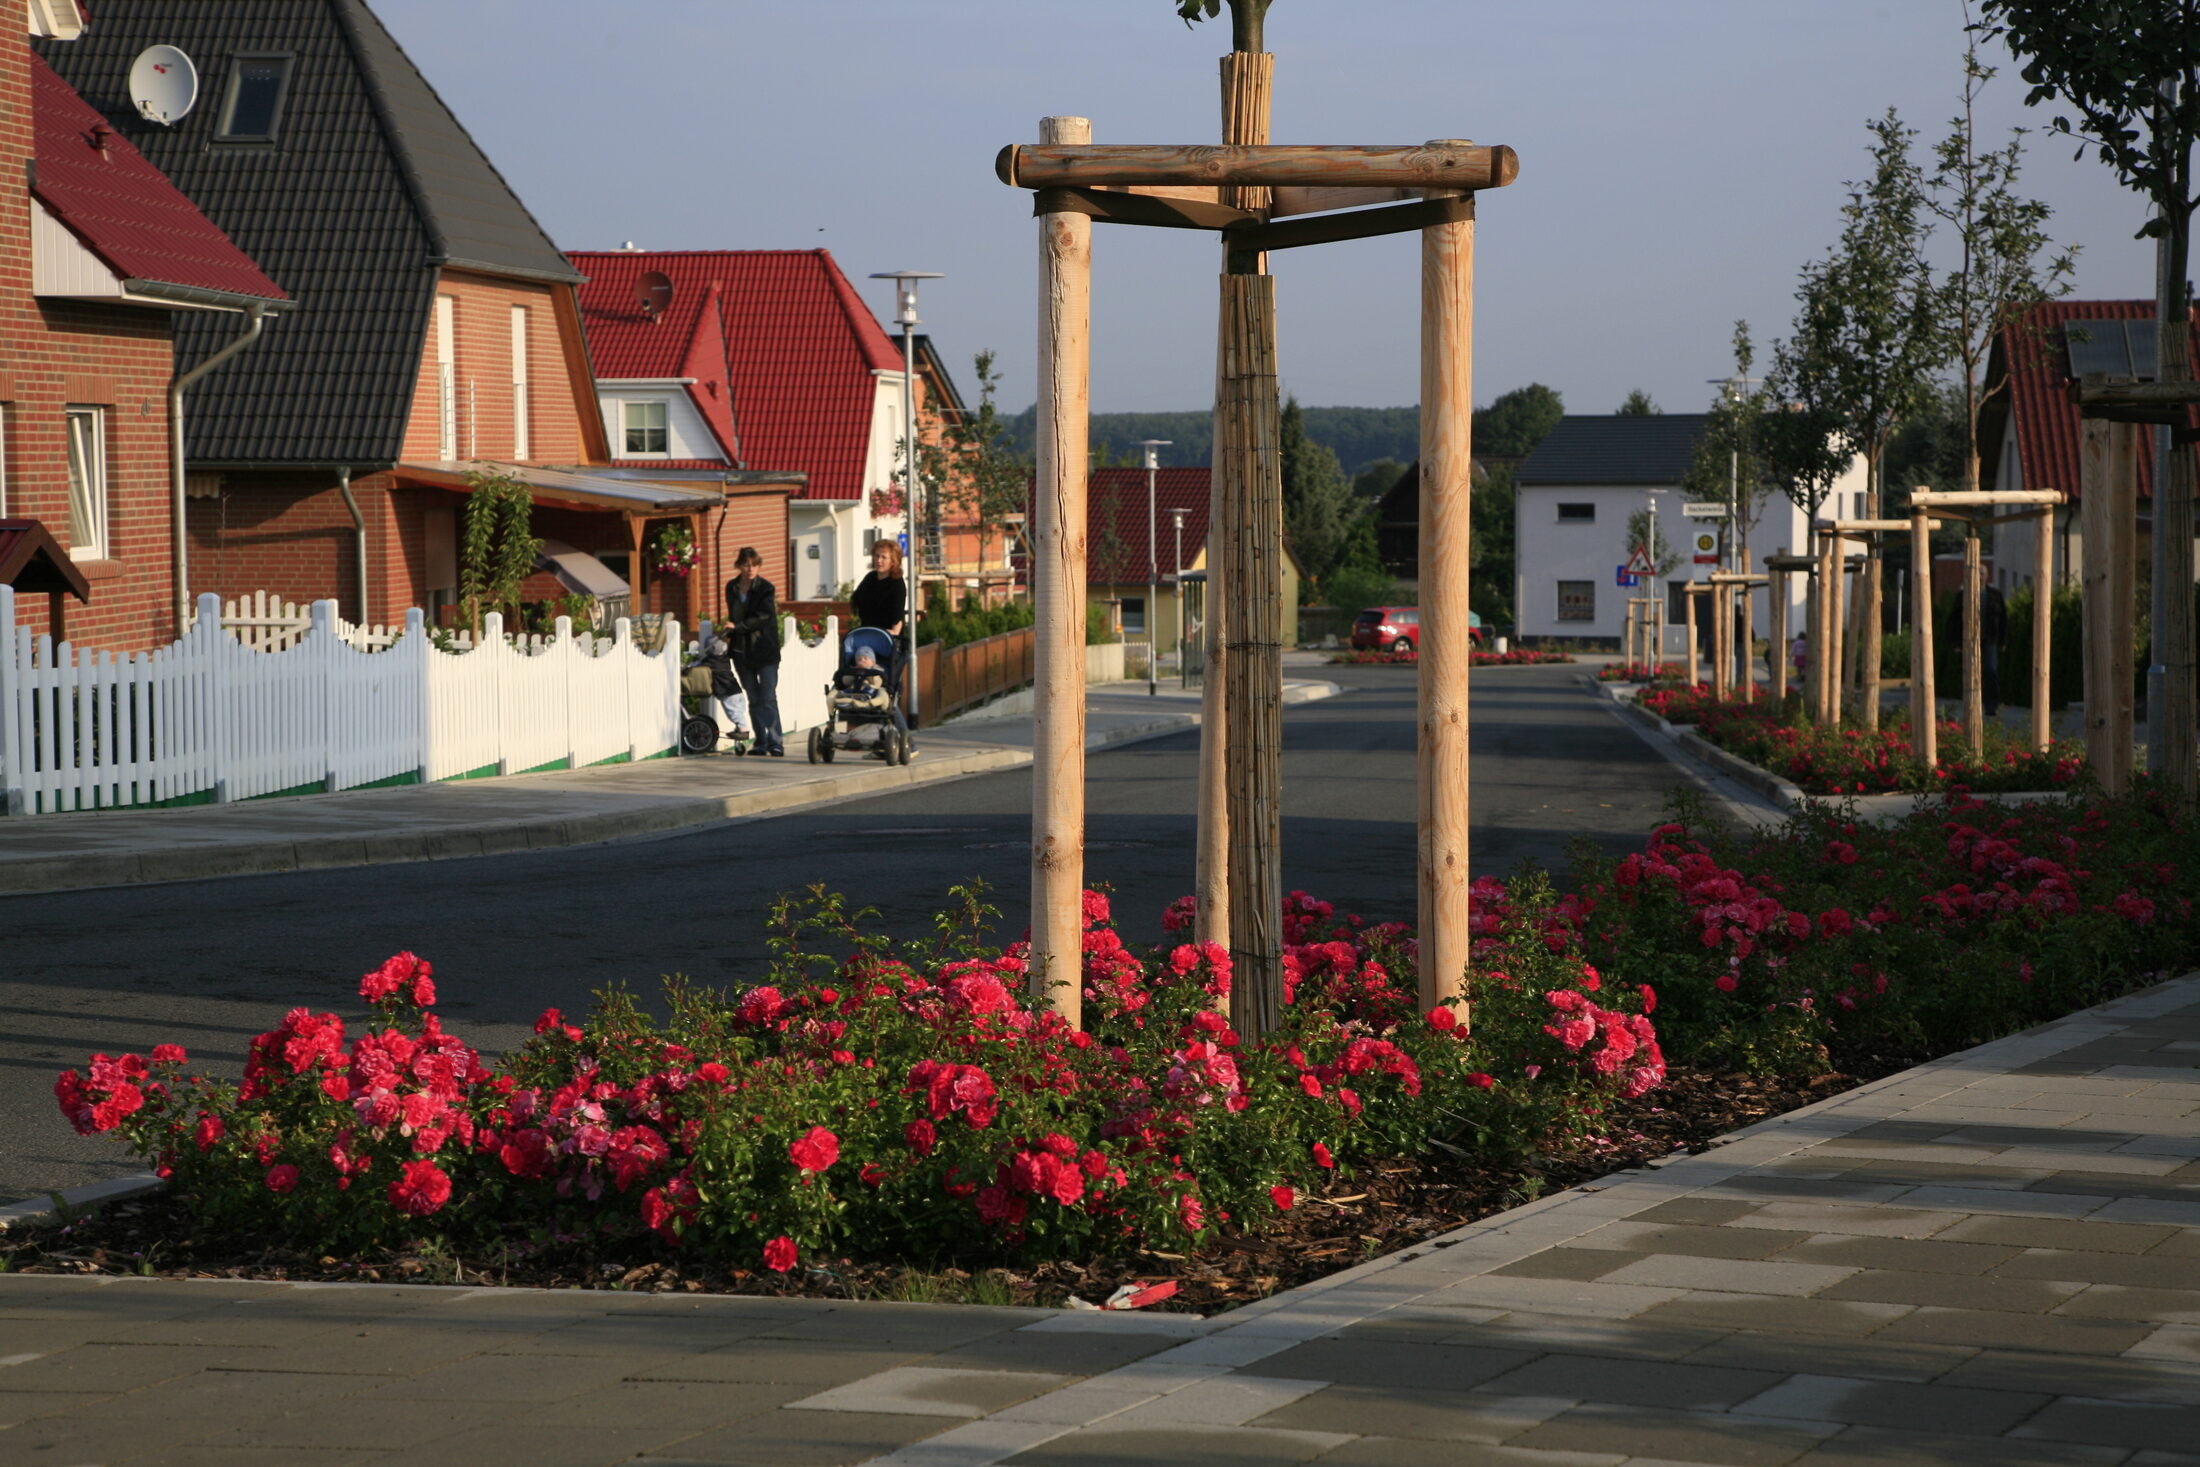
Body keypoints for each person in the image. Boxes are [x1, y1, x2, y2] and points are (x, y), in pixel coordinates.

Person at [723, 546, 783, 756]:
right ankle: (761, 742)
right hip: (742, 651)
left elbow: (763, 617)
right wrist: (729, 630)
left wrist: (737, 627)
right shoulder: (731, 587)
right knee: (753, 698)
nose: (750, 568)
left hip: (765, 649)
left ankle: (776, 742)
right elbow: (734, 615)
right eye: (746, 564)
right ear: (739, 565)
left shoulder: (766, 588)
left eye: (754, 564)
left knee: (768, 697)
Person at [850, 539, 909, 731]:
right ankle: (859, 732)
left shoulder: (897, 584)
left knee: (886, 692)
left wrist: (891, 636)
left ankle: (906, 739)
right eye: (876, 556)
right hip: (867, 640)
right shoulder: (870, 579)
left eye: (883, 557)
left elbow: (897, 620)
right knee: (856, 686)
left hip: (886, 644)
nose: (879, 560)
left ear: (893, 561)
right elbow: (856, 601)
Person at [694, 634, 750, 745]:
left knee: (733, 713)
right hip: (736, 690)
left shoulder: (711, 662)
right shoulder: (724, 659)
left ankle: (743, 730)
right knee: (738, 712)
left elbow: (697, 665)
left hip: (728, 692)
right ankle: (740, 728)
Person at [1981, 582, 2007, 716]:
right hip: (1971, 639)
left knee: (1990, 669)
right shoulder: (1965, 593)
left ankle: (1991, 705)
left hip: (1990, 638)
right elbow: (1956, 616)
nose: (1979, 576)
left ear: (1986, 576)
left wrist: (2002, 641)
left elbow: (2003, 618)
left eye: (1982, 573)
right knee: (1972, 672)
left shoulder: (1994, 595)